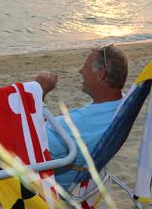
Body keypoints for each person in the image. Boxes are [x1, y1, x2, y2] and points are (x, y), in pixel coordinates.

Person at [39, 44, 128, 189]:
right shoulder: (121, 105)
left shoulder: (83, 121)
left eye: (85, 67)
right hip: (86, 176)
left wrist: (39, 93)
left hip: (49, 186)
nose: (80, 71)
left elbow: (30, 142)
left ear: (101, 75)